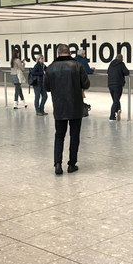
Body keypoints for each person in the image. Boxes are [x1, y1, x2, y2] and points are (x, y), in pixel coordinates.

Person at [44, 44, 90, 175]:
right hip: (75, 106)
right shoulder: (77, 66)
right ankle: (72, 164)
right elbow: (86, 84)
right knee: (74, 135)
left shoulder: (51, 68)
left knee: (59, 135)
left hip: (59, 107)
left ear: (58, 53)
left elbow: (46, 87)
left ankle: (58, 164)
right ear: (69, 52)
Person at [107, 54, 129, 121]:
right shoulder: (121, 64)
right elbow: (126, 72)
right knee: (116, 100)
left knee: (115, 100)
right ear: (121, 59)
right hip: (118, 84)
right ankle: (112, 116)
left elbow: (108, 71)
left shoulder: (111, 64)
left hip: (110, 84)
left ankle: (118, 112)